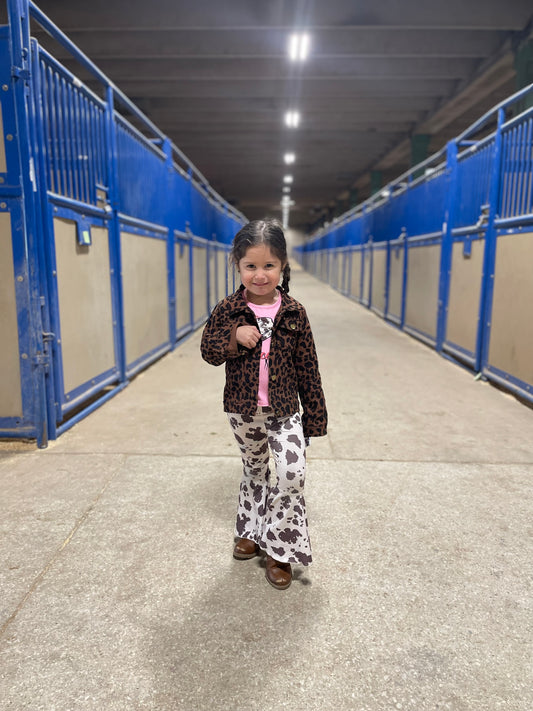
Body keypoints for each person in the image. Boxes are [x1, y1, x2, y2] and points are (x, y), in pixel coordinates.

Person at [200, 218, 327, 590]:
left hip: (286, 410)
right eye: (250, 266)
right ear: (236, 266)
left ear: (283, 266)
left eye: (269, 265)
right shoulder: (228, 310)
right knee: (255, 470)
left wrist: (315, 417)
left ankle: (280, 549)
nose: (259, 275)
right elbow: (208, 351)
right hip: (243, 410)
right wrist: (233, 336)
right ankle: (250, 533)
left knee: (291, 473)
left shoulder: (294, 312)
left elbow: (309, 367)